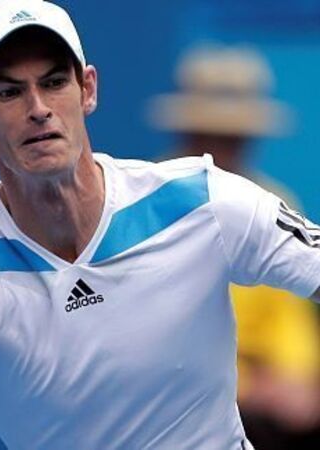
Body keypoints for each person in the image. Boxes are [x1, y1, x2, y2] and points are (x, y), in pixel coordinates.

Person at [0, 1, 320, 448]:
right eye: (9, 91)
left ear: (87, 89)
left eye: (54, 82)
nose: (38, 107)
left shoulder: (204, 200)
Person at [148, 45, 320, 448]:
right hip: (175, 406)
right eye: (210, 136)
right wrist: (250, 384)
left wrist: (297, 378)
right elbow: (149, 342)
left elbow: (289, 318)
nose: (223, 151)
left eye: (234, 138)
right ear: (187, 134)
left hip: (265, 408)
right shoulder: (144, 210)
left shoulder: (275, 204)